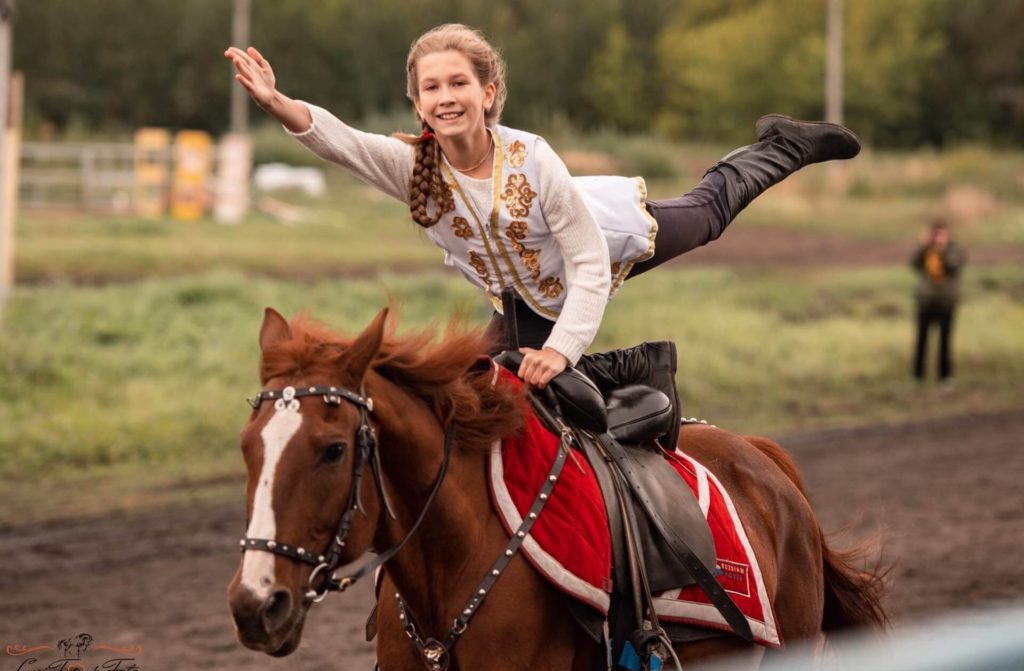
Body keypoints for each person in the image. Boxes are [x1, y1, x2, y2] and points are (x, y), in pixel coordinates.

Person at [225, 23, 860, 449]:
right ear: (417, 104)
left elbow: (586, 264)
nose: (446, 97)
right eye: (431, 88)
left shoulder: (532, 158)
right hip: (523, 300)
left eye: (459, 83)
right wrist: (278, 103)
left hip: (600, 239)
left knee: (706, 216)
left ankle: (782, 146)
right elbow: (342, 141)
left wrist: (564, 350)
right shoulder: (413, 166)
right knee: (486, 393)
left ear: (487, 92)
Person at [910, 218, 966, 382]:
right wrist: (925, 247)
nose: (938, 238)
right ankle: (917, 375)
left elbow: (953, 266)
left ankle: (945, 376)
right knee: (921, 340)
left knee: (944, 341)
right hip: (926, 301)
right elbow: (914, 264)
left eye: (941, 235)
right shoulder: (926, 251)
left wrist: (940, 251)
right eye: (935, 235)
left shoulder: (954, 250)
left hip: (946, 301)